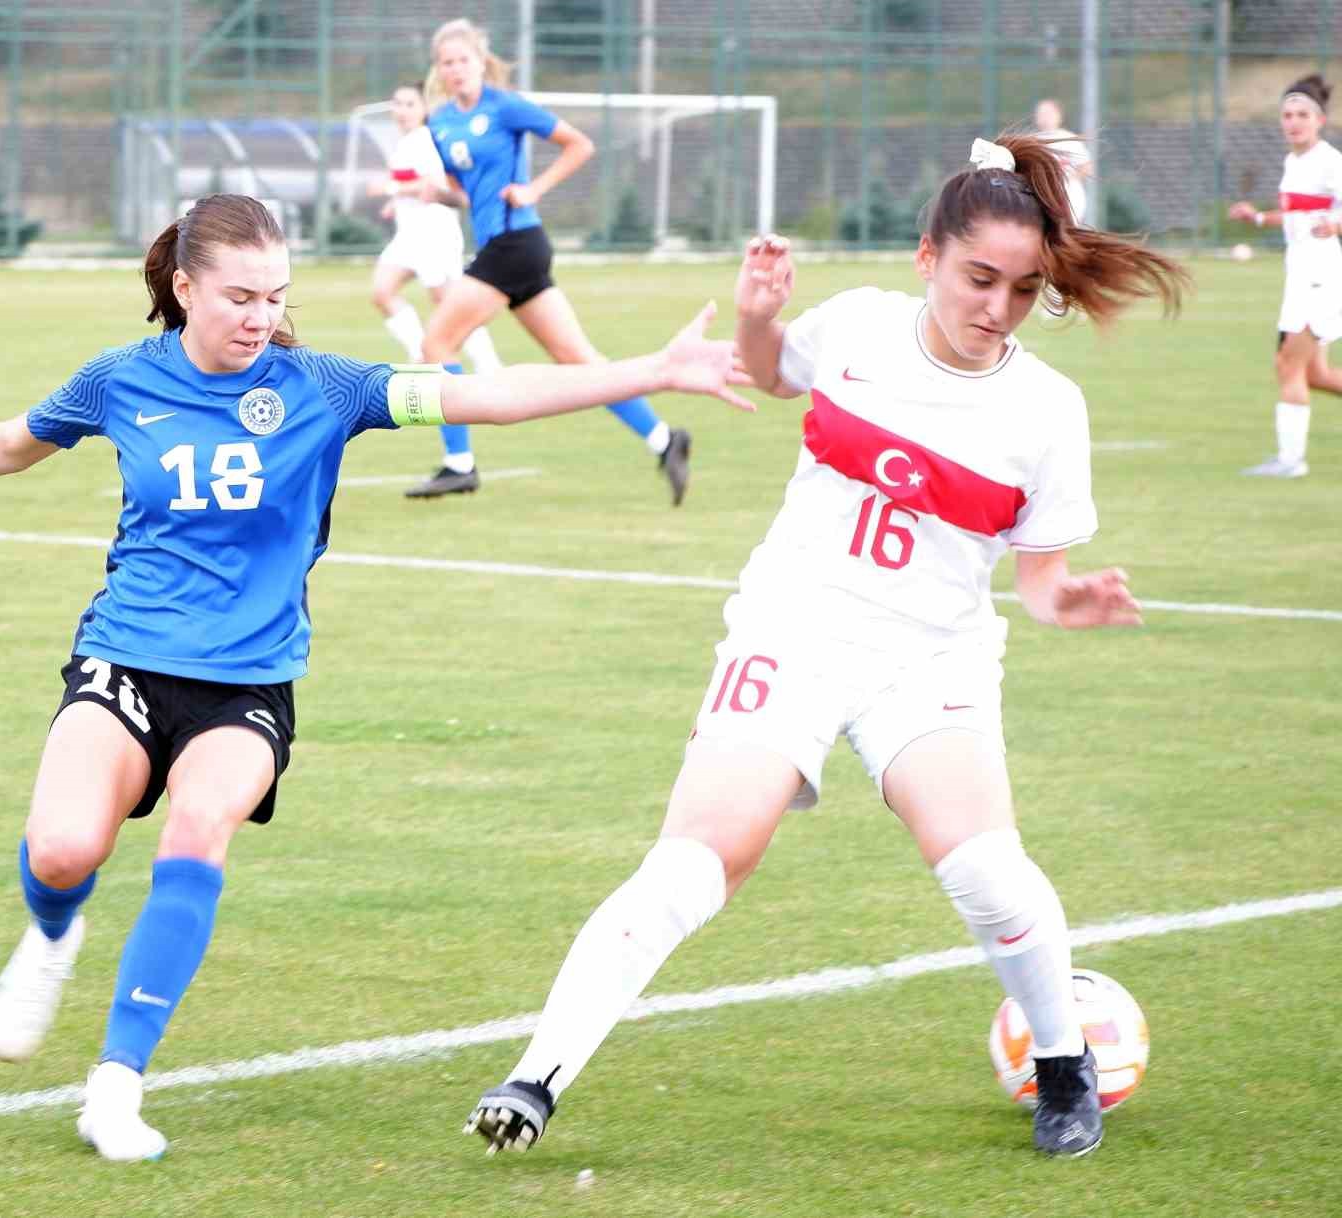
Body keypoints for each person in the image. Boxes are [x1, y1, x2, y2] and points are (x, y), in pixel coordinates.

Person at [0, 194, 751, 1164]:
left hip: (246, 684)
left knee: (202, 829)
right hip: (126, 656)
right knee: (66, 849)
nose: (258, 317)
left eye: (274, 297)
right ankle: (52, 934)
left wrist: (655, 370)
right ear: (184, 286)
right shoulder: (122, 380)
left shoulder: (321, 387)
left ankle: (115, 1086)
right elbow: (8, 442)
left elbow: (476, 396)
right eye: (239, 296)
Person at [463, 135, 1188, 1161]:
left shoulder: (1045, 412)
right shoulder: (854, 327)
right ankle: (534, 1078)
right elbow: (767, 376)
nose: (996, 307)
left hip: (928, 658)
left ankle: (1064, 1067)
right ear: (925, 256)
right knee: (695, 863)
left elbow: (1036, 586)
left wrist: (1070, 601)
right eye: (978, 278)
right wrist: (758, 317)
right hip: (792, 628)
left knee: (987, 869)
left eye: (1023, 291)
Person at [403, 17, 694, 503]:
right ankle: (665, 440)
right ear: (438, 70)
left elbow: (579, 144)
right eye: (446, 63)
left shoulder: (506, 106)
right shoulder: (441, 124)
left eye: (463, 60)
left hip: (515, 245)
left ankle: (460, 464)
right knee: (579, 361)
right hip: (510, 247)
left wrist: (534, 189)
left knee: (437, 342)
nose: (456, 70)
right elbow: (466, 194)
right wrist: (435, 193)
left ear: (481, 62)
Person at [1228, 72, 1342, 478]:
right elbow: (1298, 213)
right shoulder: (1293, 161)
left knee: (1287, 366)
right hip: (1300, 276)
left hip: (1321, 277)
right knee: (1316, 374)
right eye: (1288, 114)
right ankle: (1288, 459)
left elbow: (1333, 215)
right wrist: (1257, 217)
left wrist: (1336, 226)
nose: (1293, 121)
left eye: (1302, 114)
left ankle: (1290, 462)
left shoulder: (1330, 161)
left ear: (1320, 120)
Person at [368, 81, 504, 404]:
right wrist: (394, 201)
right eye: (397, 103)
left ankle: (490, 366)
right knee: (382, 291)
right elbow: (409, 185)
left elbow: (433, 185)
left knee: (449, 306)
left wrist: (389, 189)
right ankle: (421, 353)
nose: (401, 111)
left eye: (409, 104)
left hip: (434, 234)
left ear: (425, 108)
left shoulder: (428, 139)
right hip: (409, 236)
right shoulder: (406, 142)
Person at [1033, 99, 1094, 227]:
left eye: (1049, 113)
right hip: (1041, 196)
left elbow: (1087, 167)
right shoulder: (1032, 142)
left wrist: (1067, 179)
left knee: (1066, 231)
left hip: (1068, 196)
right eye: (1041, 114)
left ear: (1059, 116)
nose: (1045, 118)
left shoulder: (1069, 140)